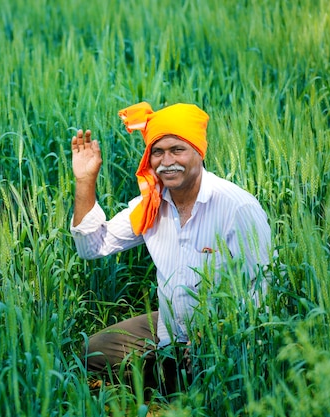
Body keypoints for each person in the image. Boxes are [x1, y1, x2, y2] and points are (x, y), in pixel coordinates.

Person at [70, 101, 271, 395]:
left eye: (178, 149)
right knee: (92, 352)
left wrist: (218, 333)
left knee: (216, 373)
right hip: (169, 327)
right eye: (158, 151)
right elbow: (92, 246)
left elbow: (262, 285)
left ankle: (193, 382)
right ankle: (174, 378)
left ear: (199, 152)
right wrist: (85, 180)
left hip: (225, 333)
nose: (167, 161)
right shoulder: (151, 204)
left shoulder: (236, 207)